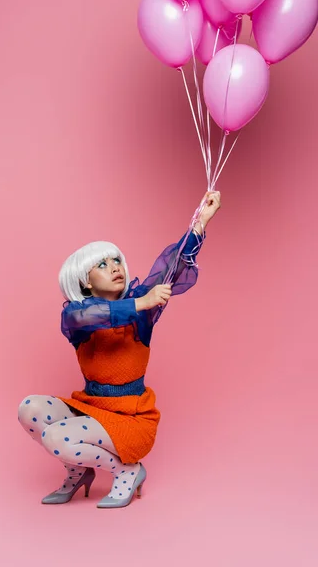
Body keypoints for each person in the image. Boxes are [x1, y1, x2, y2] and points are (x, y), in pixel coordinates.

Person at [18, 191, 221, 508]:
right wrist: (143, 302)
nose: (115, 266)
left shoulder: (143, 310)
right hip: (92, 409)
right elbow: (85, 315)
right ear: (84, 283)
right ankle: (79, 470)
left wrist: (200, 224)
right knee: (29, 408)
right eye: (102, 264)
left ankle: (128, 470)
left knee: (56, 437)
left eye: (116, 260)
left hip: (132, 419)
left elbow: (172, 265)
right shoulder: (78, 316)